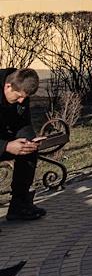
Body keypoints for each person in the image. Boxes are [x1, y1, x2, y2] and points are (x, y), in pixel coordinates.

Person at [1, 68, 45, 222]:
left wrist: (28, 141)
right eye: (18, 96)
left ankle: (18, 205)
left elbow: (23, 123)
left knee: (28, 150)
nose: (21, 101)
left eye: (24, 98)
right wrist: (6, 146)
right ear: (7, 86)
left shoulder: (20, 90)